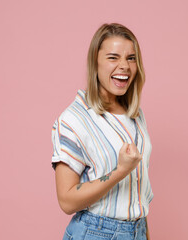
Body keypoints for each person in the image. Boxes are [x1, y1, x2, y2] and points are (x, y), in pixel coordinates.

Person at [51, 23, 153, 240]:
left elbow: (137, 191)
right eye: (113, 57)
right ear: (95, 63)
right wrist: (119, 171)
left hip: (138, 230)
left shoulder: (134, 114)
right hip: (96, 233)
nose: (124, 66)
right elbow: (67, 201)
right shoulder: (74, 120)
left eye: (131, 58)